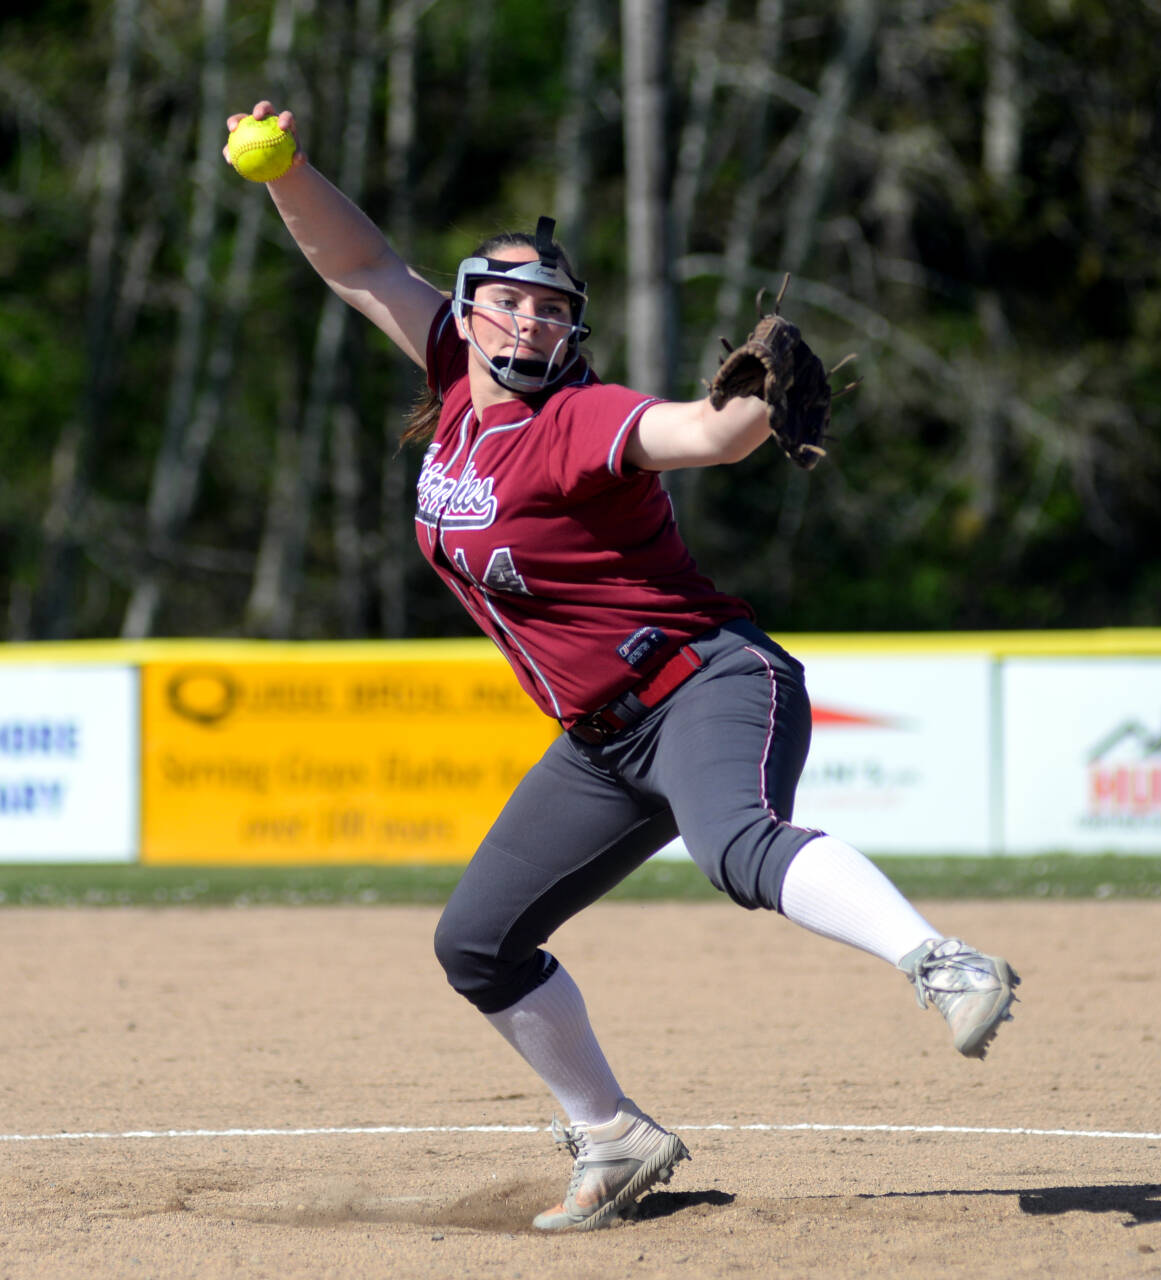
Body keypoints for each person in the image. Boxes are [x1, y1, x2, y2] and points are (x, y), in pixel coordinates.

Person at [225, 101, 1020, 1233]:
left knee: (735, 846)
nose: (531, 319)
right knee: (477, 942)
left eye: (551, 308)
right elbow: (353, 260)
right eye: (508, 297)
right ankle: (613, 1135)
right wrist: (287, 168)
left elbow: (694, 435)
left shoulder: (576, 417)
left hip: (704, 679)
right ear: (465, 309)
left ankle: (936, 961)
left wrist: (749, 404)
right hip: (600, 740)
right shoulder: (454, 383)